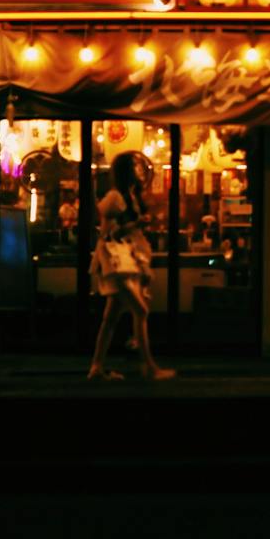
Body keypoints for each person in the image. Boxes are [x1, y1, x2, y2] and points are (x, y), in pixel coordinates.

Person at [88, 150, 175, 381]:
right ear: (127, 170)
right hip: (116, 263)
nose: (140, 169)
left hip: (125, 261)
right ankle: (148, 366)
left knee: (111, 317)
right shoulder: (115, 197)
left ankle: (96, 367)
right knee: (140, 310)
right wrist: (136, 224)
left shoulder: (129, 196)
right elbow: (108, 234)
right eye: (136, 165)